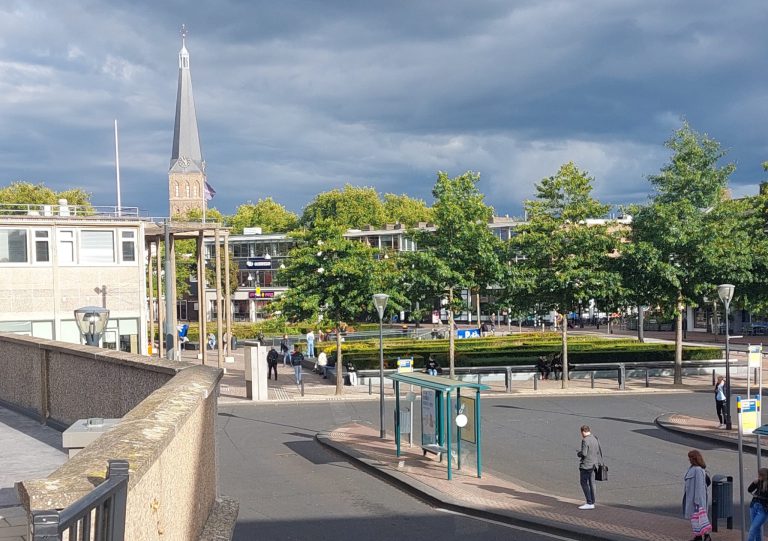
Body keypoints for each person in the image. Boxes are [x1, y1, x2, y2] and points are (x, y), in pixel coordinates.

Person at [683, 449, 712, 541]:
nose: (689, 460)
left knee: (699, 518)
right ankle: (698, 536)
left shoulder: (698, 470)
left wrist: (697, 501)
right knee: (696, 518)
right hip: (691, 497)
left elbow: (699, 486)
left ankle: (705, 536)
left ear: (694, 459)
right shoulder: (692, 468)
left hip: (695, 499)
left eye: (690, 458)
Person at [577, 425, 599, 510]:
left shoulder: (585, 440)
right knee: (592, 483)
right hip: (594, 464)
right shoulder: (595, 438)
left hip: (586, 465)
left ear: (583, 432)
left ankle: (589, 502)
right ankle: (592, 501)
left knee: (583, 482)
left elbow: (584, 453)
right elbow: (597, 450)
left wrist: (579, 453)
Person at [748, 468, 768, 541]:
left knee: (752, 530)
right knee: (756, 529)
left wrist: (759, 497)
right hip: (753, 506)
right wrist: (754, 483)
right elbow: (749, 490)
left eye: (760, 475)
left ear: (764, 476)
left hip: (763, 509)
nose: (759, 477)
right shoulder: (759, 482)